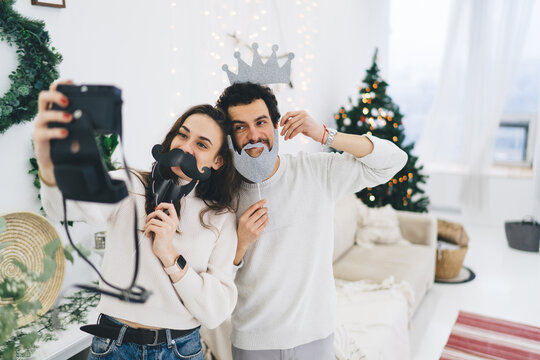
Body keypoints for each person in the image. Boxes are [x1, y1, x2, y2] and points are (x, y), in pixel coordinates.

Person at [33, 82, 241, 360]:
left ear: (217, 162)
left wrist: (171, 257)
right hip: (113, 346)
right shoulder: (129, 184)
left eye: (201, 144)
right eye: (183, 135)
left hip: (179, 350)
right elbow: (64, 206)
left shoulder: (221, 218)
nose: (186, 147)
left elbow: (216, 312)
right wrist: (48, 161)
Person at [215, 82, 408, 359]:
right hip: (254, 344)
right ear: (229, 136)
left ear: (275, 125)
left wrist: (325, 135)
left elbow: (393, 160)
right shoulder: (221, 196)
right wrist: (240, 243)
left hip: (316, 336)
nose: (254, 135)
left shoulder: (315, 172)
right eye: (240, 127)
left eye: (261, 122)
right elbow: (217, 280)